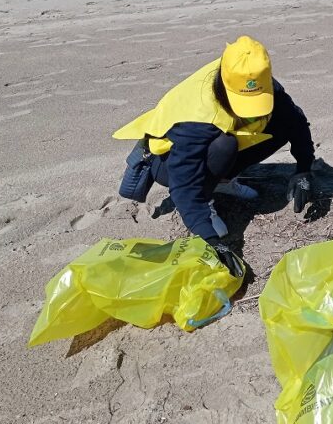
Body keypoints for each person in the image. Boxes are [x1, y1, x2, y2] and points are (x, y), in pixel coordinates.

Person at [113, 36, 316, 270]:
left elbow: (296, 122)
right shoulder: (197, 115)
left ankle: (223, 181)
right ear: (225, 87)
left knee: (281, 122)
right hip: (167, 161)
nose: (252, 115)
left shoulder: (260, 82)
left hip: (212, 141)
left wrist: (303, 170)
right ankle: (207, 196)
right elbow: (183, 184)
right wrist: (211, 241)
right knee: (224, 146)